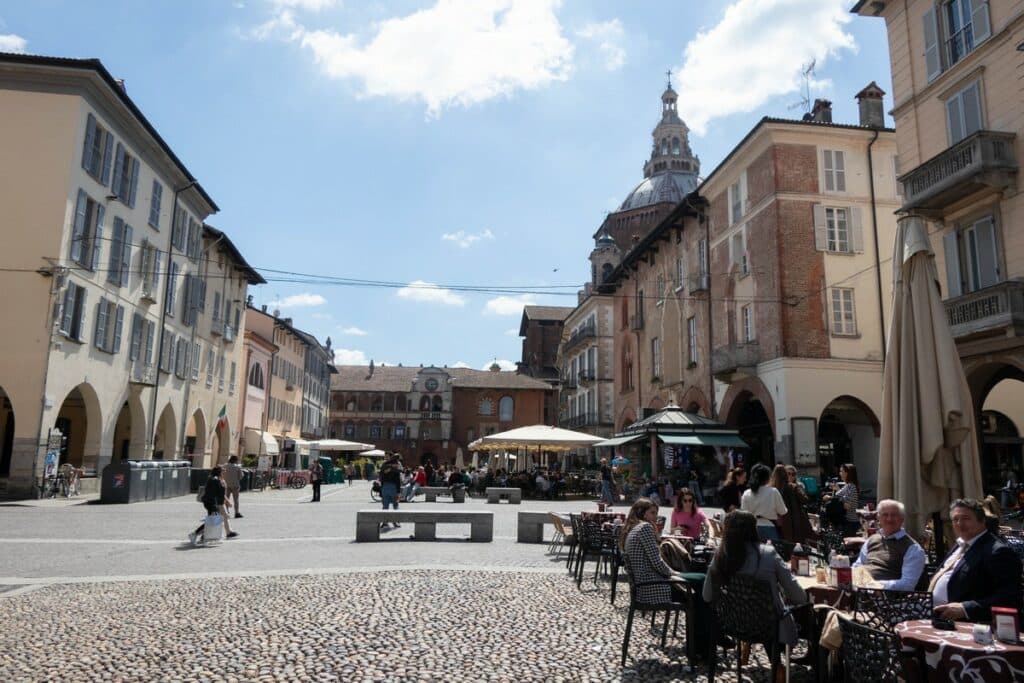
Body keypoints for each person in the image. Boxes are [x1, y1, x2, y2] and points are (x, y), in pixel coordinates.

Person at [703, 511, 807, 647]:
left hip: (733, 622)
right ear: (753, 529)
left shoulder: (721, 556)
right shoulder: (768, 554)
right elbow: (799, 596)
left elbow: (707, 596)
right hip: (769, 625)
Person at [931, 498, 1023, 622]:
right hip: (934, 615)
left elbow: (1009, 597)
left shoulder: (998, 552)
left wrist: (965, 609)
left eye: (966, 518)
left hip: (966, 626)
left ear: (982, 521)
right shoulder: (961, 544)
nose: (959, 524)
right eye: (955, 519)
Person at [620, 498, 686, 604]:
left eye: (656, 513)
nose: (656, 517)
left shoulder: (634, 529)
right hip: (653, 587)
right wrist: (674, 573)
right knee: (697, 586)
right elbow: (657, 562)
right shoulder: (644, 527)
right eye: (652, 513)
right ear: (642, 513)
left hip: (643, 586)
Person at [852, 499, 926, 591]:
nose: (889, 519)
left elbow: (907, 585)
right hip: (860, 592)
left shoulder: (912, 548)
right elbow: (858, 566)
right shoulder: (872, 540)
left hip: (886, 601)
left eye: (894, 515)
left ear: (902, 518)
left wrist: (873, 585)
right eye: (885, 515)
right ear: (878, 518)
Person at [190, 466, 237, 545]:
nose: (224, 472)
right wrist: (215, 505)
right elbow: (213, 494)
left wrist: (226, 501)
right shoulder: (215, 480)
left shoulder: (216, 479)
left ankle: (205, 537)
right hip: (212, 503)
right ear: (219, 472)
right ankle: (196, 534)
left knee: (215, 520)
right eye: (223, 471)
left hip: (212, 503)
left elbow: (219, 494)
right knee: (212, 521)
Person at [740, 463, 787, 541]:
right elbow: (782, 511)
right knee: (771, 551)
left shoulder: (747, 493)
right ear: (767, 478)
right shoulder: (773, 491)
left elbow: (744, 513)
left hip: (753, 528)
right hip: (769, 526)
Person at [771, 464, 814, 544]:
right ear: (785, 475)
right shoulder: (792, 487)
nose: (791, 476)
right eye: (788, 474)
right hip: (788, 522)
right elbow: (805, 499)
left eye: (793, 474)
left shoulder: (773, 489)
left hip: (786, 521)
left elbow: (805, 500)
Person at [823, 463, 860, 536]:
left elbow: (847, 506)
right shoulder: (847, 486)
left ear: (847, 473)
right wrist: (835, 490)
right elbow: (838, 496)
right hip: (844, 521)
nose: (840, 473)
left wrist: (830, 498)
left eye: (841, 471)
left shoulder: (852, 487)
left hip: (850, 522)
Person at [378, 458, 402, 529]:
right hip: (394, 488)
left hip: (385, 488)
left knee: (385, 506)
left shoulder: (384, 469)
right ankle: (396, 522)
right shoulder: (396, 471)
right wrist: (398, 492)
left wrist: (382, 490)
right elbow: (398, 482)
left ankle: (385, 522)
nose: (398, 465)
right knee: (395, 505)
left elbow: (381, 479)